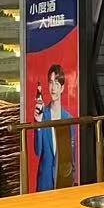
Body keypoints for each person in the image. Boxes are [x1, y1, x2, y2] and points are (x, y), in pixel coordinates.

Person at [33, 63, 69, 192]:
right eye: (51, 82)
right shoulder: (43, 115)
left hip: (63, 181)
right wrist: (38, 123)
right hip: (45, 182)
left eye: (57, 83)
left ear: (62, 88)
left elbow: (71, 157)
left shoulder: (68, 118)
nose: (53, 88)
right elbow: (38, 151)